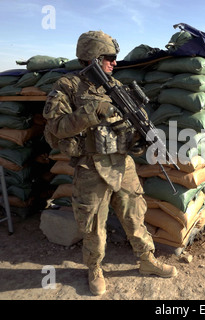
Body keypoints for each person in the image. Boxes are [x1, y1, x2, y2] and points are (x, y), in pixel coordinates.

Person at [43, 30, 177, 296]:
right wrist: (92, 112)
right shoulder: (67, 86)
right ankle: (94, 269)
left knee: (135, 215)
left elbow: (126, 129)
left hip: (122, 165)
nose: (115, 62)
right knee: (93, 224)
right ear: (93, 58)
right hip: (91, 168)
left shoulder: (115, 87)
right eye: (110, 57)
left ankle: (147, 260)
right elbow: (57, 127)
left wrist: (139, 142)